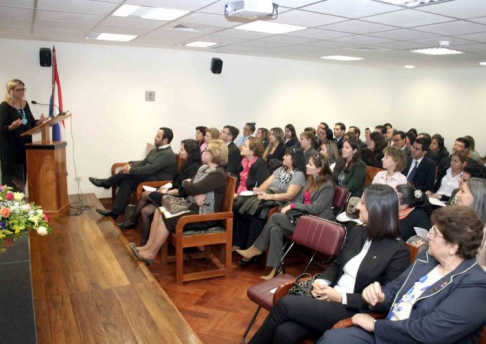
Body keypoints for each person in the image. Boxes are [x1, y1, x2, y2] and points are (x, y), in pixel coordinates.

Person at [248, 184, 409, 344]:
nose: (358, 206)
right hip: (329, 297)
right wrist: (320, 282)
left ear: (376, 210)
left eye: (363, 203)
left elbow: (386, 302)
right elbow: (337, 264)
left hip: (351, 309)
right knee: (284, 332)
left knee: (285, 304)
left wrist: (341, 297)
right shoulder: (359, 231)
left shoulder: (397, 251)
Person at [320, 206, 486, 344]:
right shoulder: (427, 259)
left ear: (453, 246)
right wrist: (380, 297)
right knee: (332, 338)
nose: (429, 236)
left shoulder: (476, 286)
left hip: (409, 338)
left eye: (434, 233)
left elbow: (431, 333)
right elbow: (396, 286)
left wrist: (376, 325)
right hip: (391, 332)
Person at [129, 139, 228, 265]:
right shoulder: (203, 168)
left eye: (207, 150)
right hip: (191, 206)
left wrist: (190, 186)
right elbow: (191, 185)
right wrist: (191, 187)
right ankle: (147, 247)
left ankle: (150, 254)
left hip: (204, 214)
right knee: (159, 211)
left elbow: (192, 186)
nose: (203, 151)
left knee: (167, 218)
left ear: (215, 154)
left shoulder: (218, 174)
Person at [237, 154, 336, 280]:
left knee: (274, 218)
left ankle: (256, 248)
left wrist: (292, 206)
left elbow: (315, 208)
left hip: (316, 224)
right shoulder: (310, 181)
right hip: (302, 219)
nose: (306, 165)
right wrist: (287, 207)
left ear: (319, 168)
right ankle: (276, 270)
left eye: (310, 164)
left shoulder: (327, 186)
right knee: (275, 229)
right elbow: (299, 201)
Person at [116, 139, 201, 245]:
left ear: (190, 153)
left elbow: (184, 190)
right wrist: (166, 188)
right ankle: (144, 243)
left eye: (182, 149)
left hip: (179, 199)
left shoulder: (194, 168)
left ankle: (132, 219)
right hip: (172, 193)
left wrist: (167, 192)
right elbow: (175, 182)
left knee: (145, 194)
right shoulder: (186, 164)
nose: (179, 151)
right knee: (145, 211)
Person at [89, 127, 177, 220]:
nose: (155, 137)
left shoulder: (167, 154)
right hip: (149, 178)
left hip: (156, 183)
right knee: (127, 181)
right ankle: (114, 212)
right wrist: (131, 164)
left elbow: (150, 168)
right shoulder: (156, 149)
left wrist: (130, 170)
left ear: (165, 140)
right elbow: (144, 162)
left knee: (129, 174)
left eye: (158, 136)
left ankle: (107, 182)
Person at [232, 147, 306, 253]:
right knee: (242, 208)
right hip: (269, 197)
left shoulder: (299, 175)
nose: (283, 157)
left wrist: (268, 196)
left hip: (282, 203)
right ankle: (239, 243)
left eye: (286, 155)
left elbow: (289, 195)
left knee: (259, 212)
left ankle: (252, 249)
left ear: (294, 159)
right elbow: (266, 183)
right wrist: (260, 190)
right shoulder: (281, 169)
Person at [0, 79, 47, 190]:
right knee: (12, 177)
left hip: (25, 144)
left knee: (23, 174)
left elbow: (29, 122)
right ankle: (10, 202)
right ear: (10, 91)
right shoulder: (5, 106)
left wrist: (38, 122)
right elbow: (2, 127)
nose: (22, 92)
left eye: (23, 89)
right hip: (10, 147)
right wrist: (11, 127)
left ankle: (20, 200)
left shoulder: (25, 104)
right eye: (18, 90)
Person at [456, 177, 486, 271]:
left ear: (476, 197)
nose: (457, 195)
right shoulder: (457, 220)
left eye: (462, 191)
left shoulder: (484, 233)